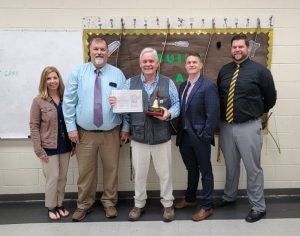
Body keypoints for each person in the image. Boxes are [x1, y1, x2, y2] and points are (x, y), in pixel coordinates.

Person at [110, 47, 180, 222]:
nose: (148, 64)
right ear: (140, 64)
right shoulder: (129, 83)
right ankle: (138, 204)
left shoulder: (168, 82)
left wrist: (169, 113)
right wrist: (116, 104)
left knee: (165, 174)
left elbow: (177, 104)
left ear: (157, 63)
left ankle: (168, 205)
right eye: (145, 61)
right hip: (139, 137)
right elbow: (125, 111)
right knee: (139, 174)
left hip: (161, 137)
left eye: (151, 61)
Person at [63, 36, 128, 222]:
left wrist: (126, 127)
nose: (99, 52)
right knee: (86, 172)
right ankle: (84, 205)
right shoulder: (78, 73)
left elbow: (125, 104)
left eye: (102, 49)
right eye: (96, 49)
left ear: (108, 52)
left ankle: (109, 203)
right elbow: (68, 103)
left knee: (111, 170)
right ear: (89, 51)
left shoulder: (117, 74)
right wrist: (70, 128)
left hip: (111, 133)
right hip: (84, 134)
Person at [217, 33, 277, 223]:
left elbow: (270, 98)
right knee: (231, 166)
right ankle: (229, 196)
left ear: (248, 49)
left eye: (241, 47)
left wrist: (254, 112)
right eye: (234, 47)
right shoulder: (224, 71)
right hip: (226, 127)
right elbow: (220, 95)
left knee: (253, 168)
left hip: (249, 126)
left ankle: (258, 207)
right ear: (231, 49)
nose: (237, 50)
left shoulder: (261, 71)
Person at [174, 53, 219, 221]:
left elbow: (213, 113)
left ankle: (207, 206)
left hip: (200, 137)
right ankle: (190, 198)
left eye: (194, 62)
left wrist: (205, 135)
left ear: (200, 65)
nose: (191, 64)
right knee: (191, 169)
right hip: (184, 136)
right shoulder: (182, 85)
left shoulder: (208, 86)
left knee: (205, 171)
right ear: (185, 66)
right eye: (188, 62)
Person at [30, 66, 73, 221]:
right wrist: (38, 149)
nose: (52, 81)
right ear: (44, 81)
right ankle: (51, 206)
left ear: (59, 79)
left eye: (55, 78)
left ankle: (60, 204)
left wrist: (73, 144)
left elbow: (71, 121)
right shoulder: (38, 101)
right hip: (48, 146)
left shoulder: (65, 98)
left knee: (62, 177)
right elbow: (33, 126)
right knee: (52, 177)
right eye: (49, 78)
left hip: (65, 145)